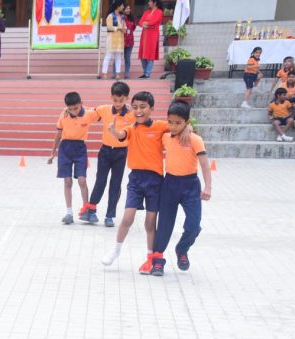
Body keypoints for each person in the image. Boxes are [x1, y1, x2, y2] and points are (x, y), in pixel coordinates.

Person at [101, 91, 189, 272]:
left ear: (152, 109)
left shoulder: (161, 126)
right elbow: (121, 135)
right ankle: (116, 249)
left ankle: (150, 257)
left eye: (143, 107)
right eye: (135, 107)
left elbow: (178, 126)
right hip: (135, 179)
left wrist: (188, 128)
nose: (138, 111)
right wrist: (113, 131)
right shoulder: (131, 128)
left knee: (150, 222)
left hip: (155, 181)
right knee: (127, 218)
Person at [150, 101, 212, 276]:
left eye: (178, 123)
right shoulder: (165, 136)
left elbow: (205, 165)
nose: (173, 126)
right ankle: (158, 260)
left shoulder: (194, 138)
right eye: (171, 122)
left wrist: (208, 187)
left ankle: (182, 249)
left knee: (193, 225)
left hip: (190, 185)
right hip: (169, 184)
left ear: (186, 121)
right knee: (164, 224)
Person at [81, 81, 136, 227]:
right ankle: (91, 210)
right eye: (115, 100)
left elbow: (141, 121)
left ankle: (110, 215)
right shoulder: (104, 109)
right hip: (105, 151)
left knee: (116, 183)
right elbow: (89, 112)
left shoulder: (131, 114)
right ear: (111, 97)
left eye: (121, 100)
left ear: (127, 98)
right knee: (101, 180)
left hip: (121, 152)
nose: (118, 103)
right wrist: (72, 110)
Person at [47, 92, 100, 225]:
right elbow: (58, 133)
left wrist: (122, 108)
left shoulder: (88, 113)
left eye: (76, 108)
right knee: (68, 181)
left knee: (82, 180)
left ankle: (87, 210)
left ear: (81, 104)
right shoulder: (64, 114)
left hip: (80, 148)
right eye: (70, 109)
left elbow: (103, 112)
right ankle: (69, 212)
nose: (73, 112)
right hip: (65, 148)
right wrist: (53, 153)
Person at [138, 0, 162, 79]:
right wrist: (146, 24)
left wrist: (146, 23)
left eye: (150, 1)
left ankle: (147, 73)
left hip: (152, 35)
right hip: (144, 35)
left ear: (154, 3)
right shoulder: (146, 12)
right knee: (142, 55)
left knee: (150, 55)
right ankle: (145, 72)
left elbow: (154, 22)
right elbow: (140, 22)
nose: (148, 3)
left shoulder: (159, 12)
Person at [101, 1, 125, 80]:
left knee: (118, 57)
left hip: (120, 39)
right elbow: (109, 27)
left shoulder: (122, 16)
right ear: (118, 6)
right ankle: (104, 73)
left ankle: (118, 74)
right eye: (122, 6)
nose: (123, 7)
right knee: (108, 56)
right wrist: (118, 28)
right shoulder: (110, 16)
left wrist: (124, 29)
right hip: (111, 39)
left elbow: (124, 26)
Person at [122, 5, 136, 79]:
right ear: (123, 9)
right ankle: (114, 73)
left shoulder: (131, 18)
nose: (128, 10)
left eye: (129, 8)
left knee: (127, 58)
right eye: (127, 9)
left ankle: (126, 74)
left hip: (130, 41)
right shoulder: (121, 17)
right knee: (117, 58)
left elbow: (133, 28)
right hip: (121, 41)